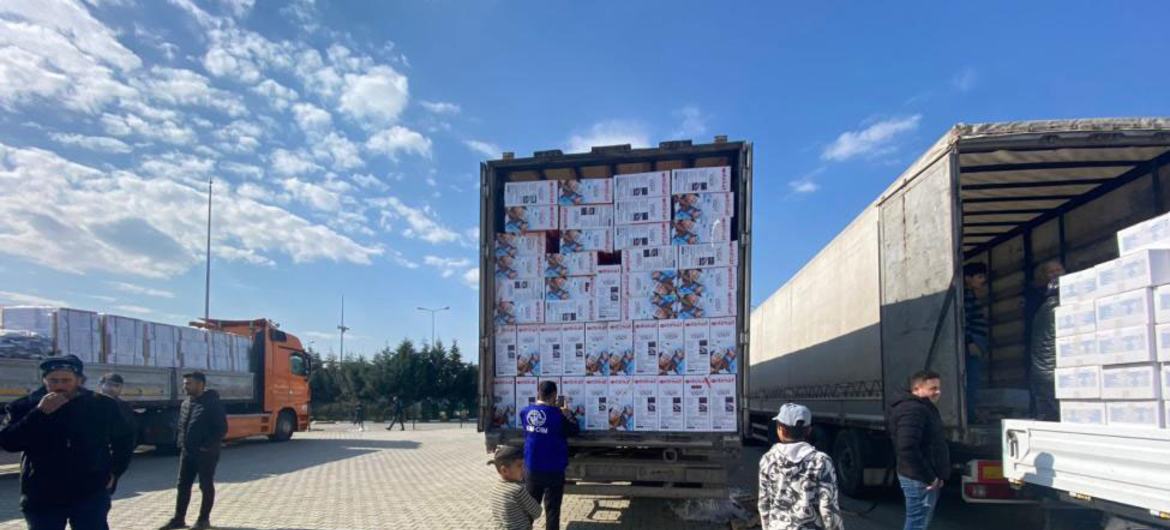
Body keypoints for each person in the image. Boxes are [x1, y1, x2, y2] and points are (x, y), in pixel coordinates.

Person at [0, 355, 134, 530]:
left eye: (66, 380)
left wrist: (115, 472)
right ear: (44, 380)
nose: (59, 386)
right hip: (42, 492)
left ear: (79, 380)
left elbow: (124, 439)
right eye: (53, 380)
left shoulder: (101, 405)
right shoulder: (24, 406)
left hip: (90, 490)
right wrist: (39, 414)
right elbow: (8, 442)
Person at [158, 372, 228, 530]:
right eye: (185, 383)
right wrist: (181, 444)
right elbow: (183, 426)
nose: (185, 386)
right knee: (183, 485)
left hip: (206, 454)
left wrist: (206, 446)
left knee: (205, 485)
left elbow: (221, 429)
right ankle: (179, 518)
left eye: (189, 383)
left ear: (200, 384)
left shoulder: (212, 403)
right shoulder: (186, 403)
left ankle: (203, 520)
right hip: (187, 452)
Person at [757, 403, 842, 530]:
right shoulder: (821, 461)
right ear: (809, 430)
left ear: (780, 429)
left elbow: (764, 504)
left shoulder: (768, 459)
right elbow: (828, 508)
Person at [889, 371, 950, 530]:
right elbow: (907, 447)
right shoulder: (914, 410)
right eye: (933, 388)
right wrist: (930, 477)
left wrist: (938, 473)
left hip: (920, 476)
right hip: (919, 479)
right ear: (917, 389)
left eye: (939, 388)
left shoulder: (921, 407)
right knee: (917, 523)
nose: (938, 392)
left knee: (918, 522)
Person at [520, 381, 579, 530]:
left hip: (532, 468)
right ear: (554, 395)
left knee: (529, 509)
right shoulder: (558, 416)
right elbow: (574, 430)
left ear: (538, 393)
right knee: (552, 510)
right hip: (554, 469)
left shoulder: (525, 412)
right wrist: (568, 414)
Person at [99, 373, 138, 495]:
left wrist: (115, 472)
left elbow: (129, 437)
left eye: (117, 386)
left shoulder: (124, 407)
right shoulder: (90, 404)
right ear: (101, 385)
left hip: (110, 460)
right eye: (109, 385)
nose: (112, 388)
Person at [488, 445, 543, 530]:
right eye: (519, 466)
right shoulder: (518, 490)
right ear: (504, 470)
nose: (523, 469)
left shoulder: (495, 488)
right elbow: (537, 512)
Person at [1029, 278, 1061, 421]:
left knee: (1046, 417)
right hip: (1055, 372)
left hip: (1039, 372)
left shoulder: (1041, 310)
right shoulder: (1058, 309)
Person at [962, 262, 990, 423]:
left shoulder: (971, 295)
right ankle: (970, 414)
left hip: (977, 340)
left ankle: (972, 412)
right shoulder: (966, 296)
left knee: (974, 378)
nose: (983, 280)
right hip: (973, 342)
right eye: (979, 277)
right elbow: (963, 320)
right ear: (968, 279)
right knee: (972, 379)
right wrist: (970, 342)